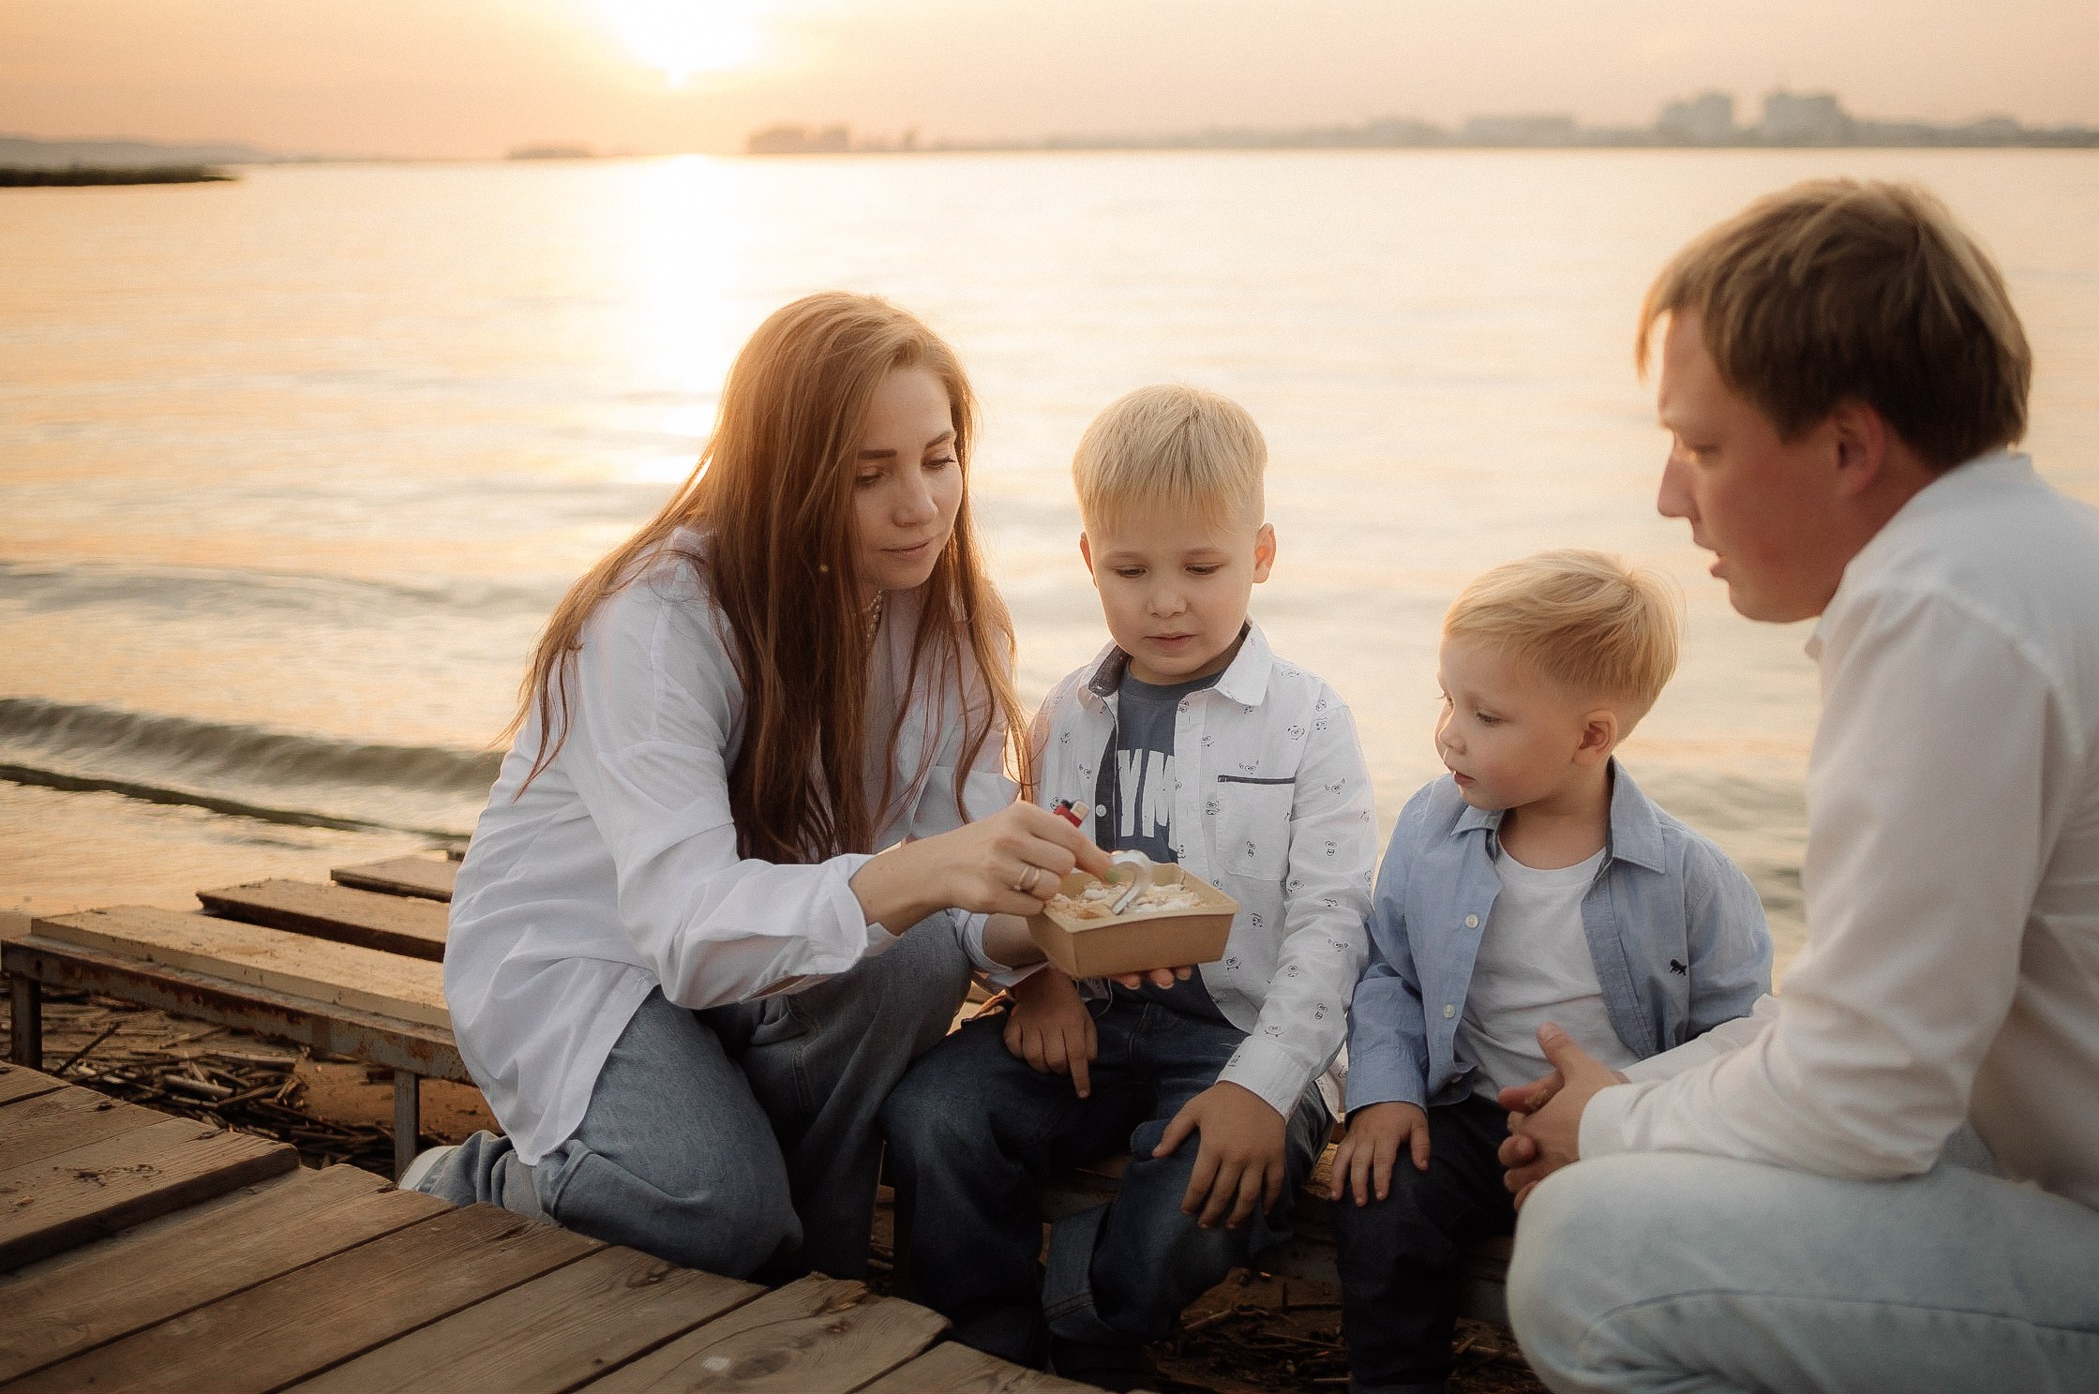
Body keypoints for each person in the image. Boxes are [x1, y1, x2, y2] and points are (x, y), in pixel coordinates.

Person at [1495, 180, 2099, 1393]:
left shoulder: (1944, 611)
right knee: (1653, 1138)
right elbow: (1868, 1029)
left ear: (1848, 446)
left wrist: (1605, 1128)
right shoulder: (2005, 563)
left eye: (1704, 445)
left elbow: (1866, 1100)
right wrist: (1627, 1099)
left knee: (1588, 1256)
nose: (1671, 494)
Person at [408, 293, 1115, 1280]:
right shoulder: (658, 621)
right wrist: (928, 870)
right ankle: (473, 1184)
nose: (920, 503)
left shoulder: (945, 619)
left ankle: (804, 1263)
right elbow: (687, 933)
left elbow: (955, 900)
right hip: (590, 958)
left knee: (909, 959)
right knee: (711, 1210)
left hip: (771, 956)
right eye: (870, 473)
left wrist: (1063, 923)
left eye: (938, 456)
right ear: (787, 478)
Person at [882, 384, 1376, 1390]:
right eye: (1130, 568)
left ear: (1262, 556)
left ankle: (1091, 1323)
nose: (1166, 599)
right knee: (935, 1113)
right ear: (1087, 561)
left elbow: (1335, 925)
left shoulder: (1310, 722)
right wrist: (1041, 986)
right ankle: (984, 1345)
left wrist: (1261, 1084)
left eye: (1203, 567)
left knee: (1214, 1173)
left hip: (1244, 1034)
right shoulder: (1068, 711)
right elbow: (1032, 882)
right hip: (1095, 1020)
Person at [1332, 549, 1771, 1394]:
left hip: (1617, 1135)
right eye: (1448, 700)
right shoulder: (1432, 824)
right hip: (1466, 1112)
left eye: (1487, 716)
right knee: (1381, 1209)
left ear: (1591, 736)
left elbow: (1739, 1035)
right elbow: (1389, 969)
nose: (1451, 732)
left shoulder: (1689, 876)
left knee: (1631, 1259)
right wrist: (1383, 1093)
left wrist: (1623, 1113)